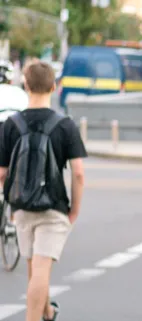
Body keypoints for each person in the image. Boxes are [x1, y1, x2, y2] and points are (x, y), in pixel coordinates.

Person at [0, 61, 87, 321]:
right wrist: (74, 209)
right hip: (53, 206)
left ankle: (47, 311)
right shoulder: (65, 125)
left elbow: (2, 173)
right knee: (40, 269)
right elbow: (79, 173)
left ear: (25, 85)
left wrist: (10, 204)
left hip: (22, 208)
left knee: (34, 268)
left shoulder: (10, 125)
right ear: (54, 86)